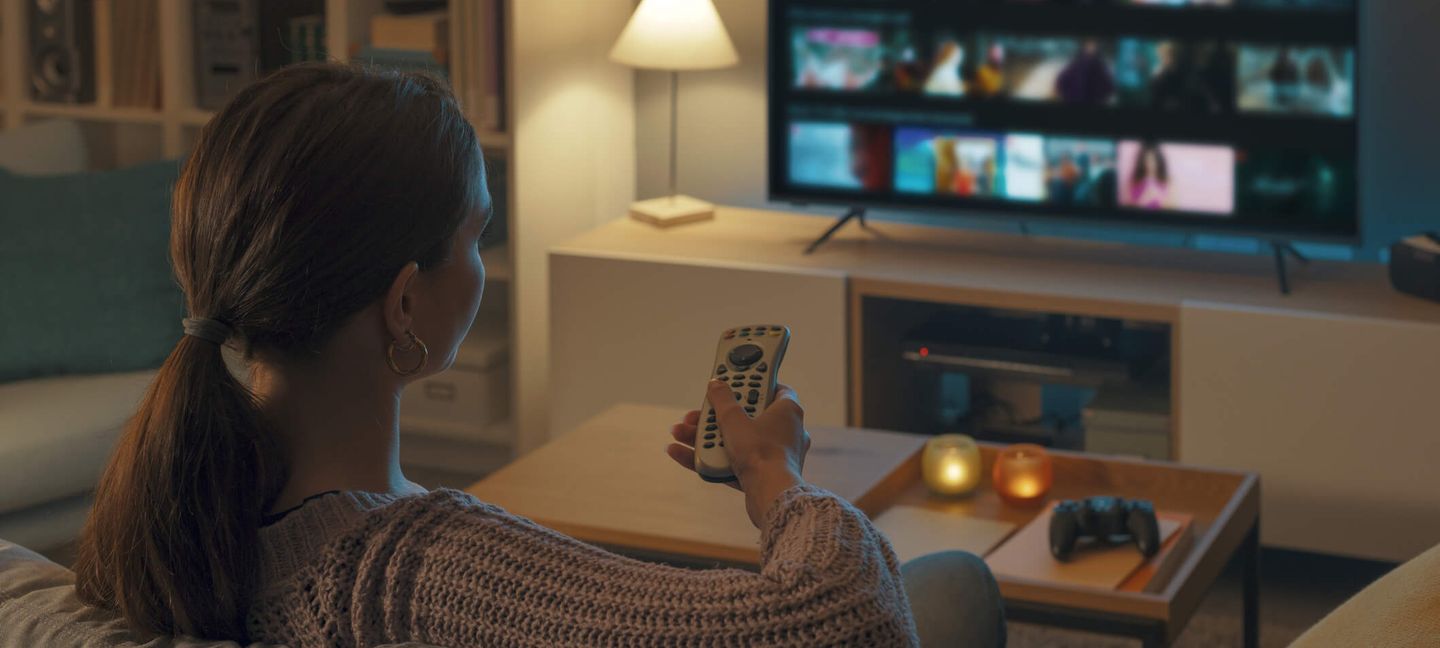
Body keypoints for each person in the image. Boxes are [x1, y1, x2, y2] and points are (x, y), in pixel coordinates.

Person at [70, 63, 1005, 647]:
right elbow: (847, 624)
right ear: (404, 301)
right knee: (952, 586)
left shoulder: (170, 511)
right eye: (476, 237)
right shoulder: (412, 575)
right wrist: (773, 476)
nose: (481, 262)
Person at [1055, 39, 1115, 105]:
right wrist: (1068, 97)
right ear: (1084, 48)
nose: (1091, 49)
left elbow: (1108, 86)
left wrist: (1101, 97)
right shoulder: (1076, 64)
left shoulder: (1100, 66)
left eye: (1093, 46)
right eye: (1089, 46)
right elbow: (1061, 81)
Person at [1127, 142, 1171, 210]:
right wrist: (1143, 199)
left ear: (1158, 161)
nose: (1149, 164)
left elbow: (1171, 207)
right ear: (1142, 161)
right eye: (1146, 160)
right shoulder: (1135, 181)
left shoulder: (1167, 181)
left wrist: (1159, 197)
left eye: (1152, 160)